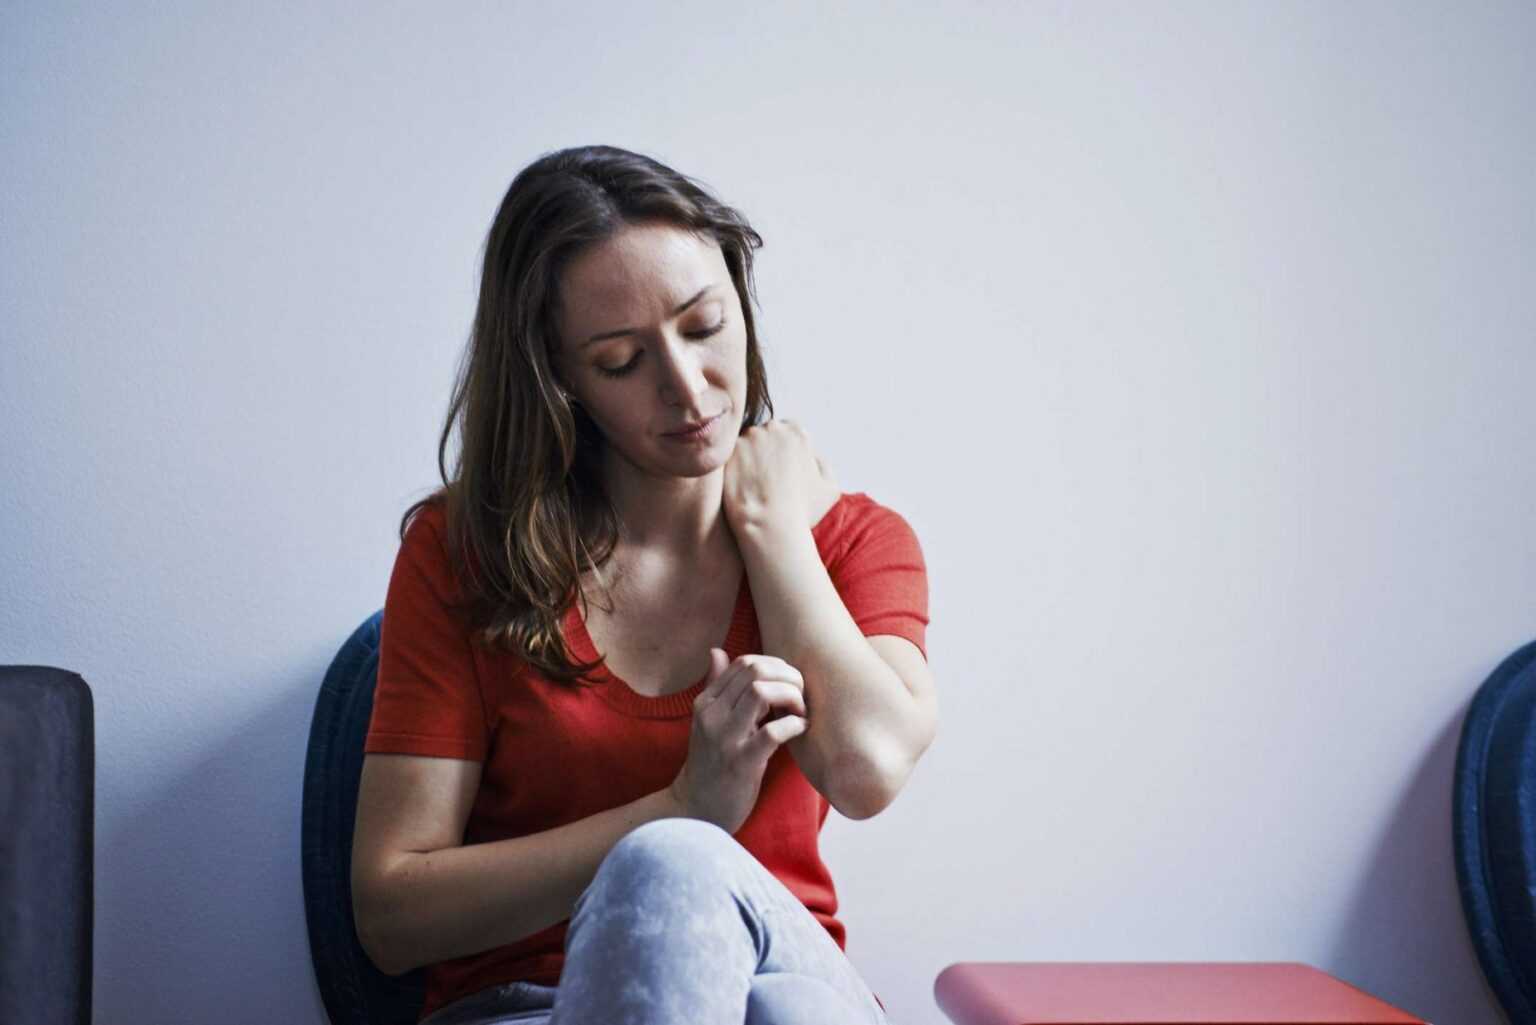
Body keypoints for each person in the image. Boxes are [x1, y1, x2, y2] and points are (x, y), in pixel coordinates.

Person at [350, 144, 936, 1025]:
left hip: (784, 980)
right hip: (529, 1008)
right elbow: (391, 916)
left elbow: (867, 769)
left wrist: (773, 530)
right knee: (670, 859)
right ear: (559, 380)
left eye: (704, 326)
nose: (689, 390)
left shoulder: (849, 540)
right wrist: (680, 808)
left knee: (785, 1003)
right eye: (623, 360)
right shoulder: (462, 553)